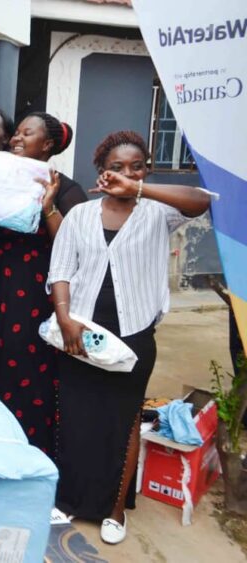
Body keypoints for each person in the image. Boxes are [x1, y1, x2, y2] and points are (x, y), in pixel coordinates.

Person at [49, 131, 212, 544]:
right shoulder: (80, 215)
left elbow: (201, 201)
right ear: (101, 171)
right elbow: (61, 270)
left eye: (136, 167)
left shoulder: (159, 212)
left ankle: (115, 509)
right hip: (80, 333)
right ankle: (70, 499)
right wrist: (65, 318)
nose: (127, 173)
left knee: (123, 422)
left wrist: (137, 189)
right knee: (77, 418)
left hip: (134, 333)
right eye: (117, 167)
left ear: (146, 171)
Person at [0, 111, 86, 456]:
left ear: (47, 145)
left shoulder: (64, 187)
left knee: (24, 368)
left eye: (26, 133)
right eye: (16, 132)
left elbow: (75, 246)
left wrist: (49, 207)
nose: (16, 138)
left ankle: (26, 452)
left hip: (28, 296)